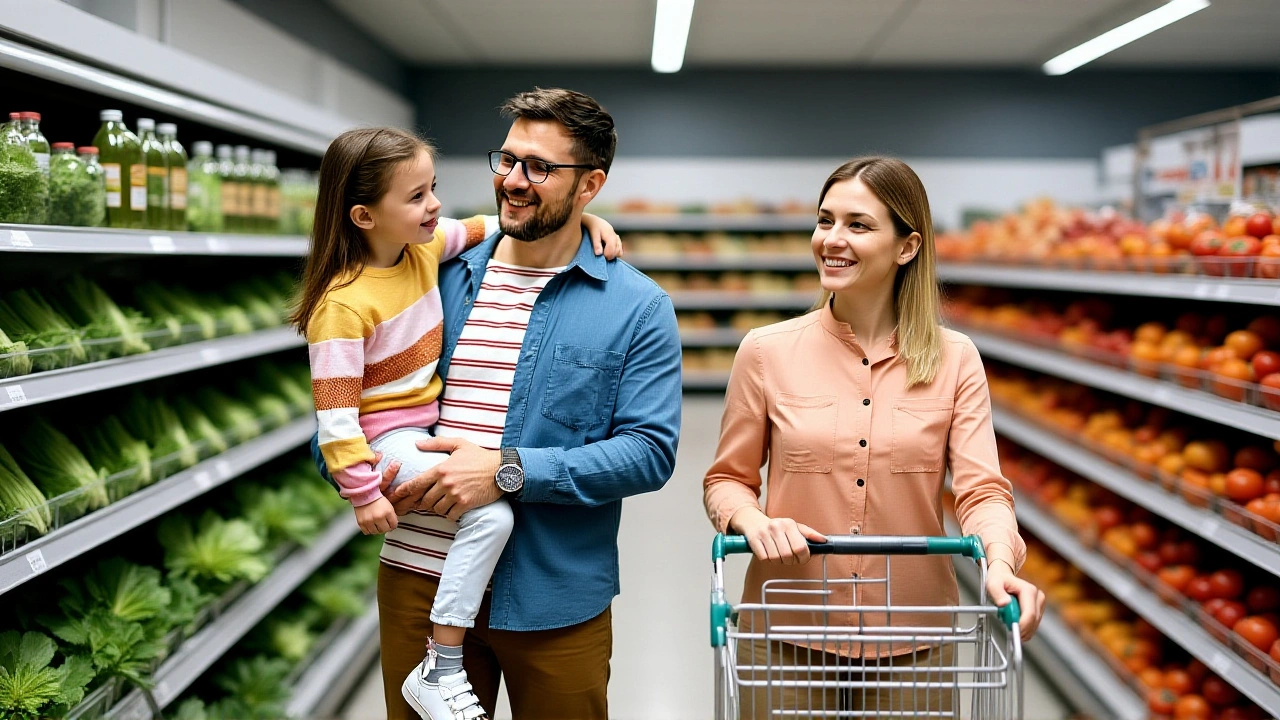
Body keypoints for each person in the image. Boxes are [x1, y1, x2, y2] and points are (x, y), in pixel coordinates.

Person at [312, 89, 683, 719]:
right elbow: (343, 408)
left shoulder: (636, 306)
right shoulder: (432, 269)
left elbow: (649, 454)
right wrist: (372, 477)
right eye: (507, 160)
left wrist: (507, 470)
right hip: (417, 578)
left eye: (539, 168)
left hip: (552, 593)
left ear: (589, 184)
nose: (512, 181)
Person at [702, 156, 1045, 717]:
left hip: (917, 634)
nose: (832, 240)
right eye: (824, 220)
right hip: (787, 628)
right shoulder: (765, 352)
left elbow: (982, 491)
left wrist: (1001, 566)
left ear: (906, 247)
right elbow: (727, 481)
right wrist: (754, 521)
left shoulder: (955, 359)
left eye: (857, 225)